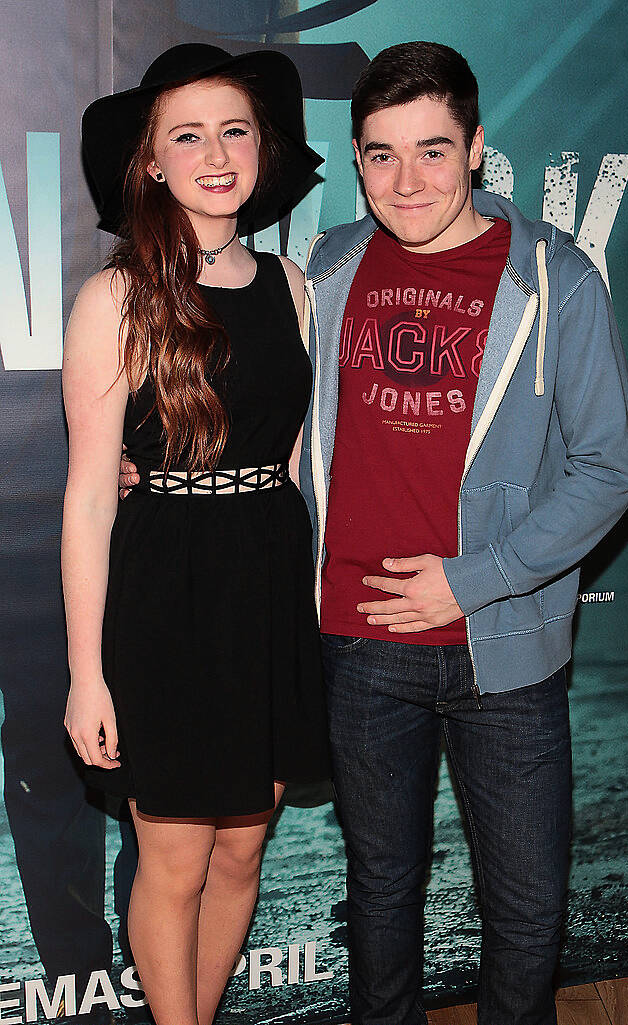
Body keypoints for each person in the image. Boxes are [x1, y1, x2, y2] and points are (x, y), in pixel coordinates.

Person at [120, 40, 628, 1025]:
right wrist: (137, 450)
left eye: (433, 151)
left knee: (527, 915)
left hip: (504, 654)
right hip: (355, 650)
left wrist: (473, 578)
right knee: (382, 906)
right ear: (355, 160)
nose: (407, 180)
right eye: (380, 154)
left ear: (477, 149)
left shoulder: (553, 278)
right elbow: (245, 391)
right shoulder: (324, 268)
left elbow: (608, 468)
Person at [62, 42, 329, 1025]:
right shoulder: (117, 298)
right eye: (188, 134)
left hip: (265, 586)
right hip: (163, 594)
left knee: (242, 845)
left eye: (234, 130)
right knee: (173, 856)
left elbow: (298, 465)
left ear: (263, 150)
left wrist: (306, 618)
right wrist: (88, 674)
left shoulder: (294, 285)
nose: (215, 152)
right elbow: (90, 499)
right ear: (153, 162)